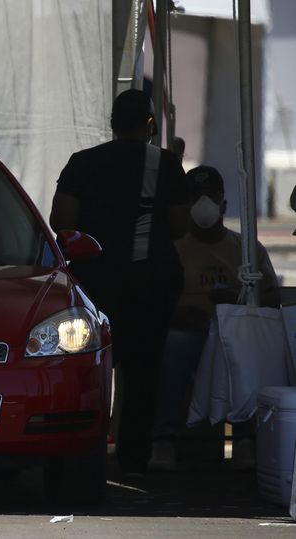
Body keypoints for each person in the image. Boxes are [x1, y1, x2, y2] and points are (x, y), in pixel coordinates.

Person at [49, 89, 189, 475]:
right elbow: (179, 225)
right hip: (150, 281)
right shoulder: (164, 164)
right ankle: (133, 458)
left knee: (90, 367)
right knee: (144, 372)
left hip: (94, 283)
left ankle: (84, 451)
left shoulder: (82, 163)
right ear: (149, 124)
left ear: (111, 123)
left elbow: (61, 220)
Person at [149, 165, 280, 470]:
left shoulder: (246, 249)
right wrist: (177, 313)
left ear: (223, 204)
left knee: (250, 353)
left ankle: (246, 441)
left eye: (211, 195)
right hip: (186, 330)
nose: (204, 203)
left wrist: (239, 301)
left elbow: (272, 296)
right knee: (173, 347)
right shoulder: (170, 248)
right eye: (196, 196)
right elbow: (152, 300)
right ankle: (164, 441)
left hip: (234, 333)